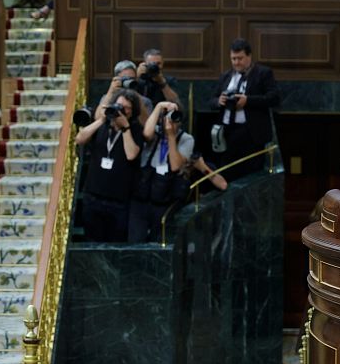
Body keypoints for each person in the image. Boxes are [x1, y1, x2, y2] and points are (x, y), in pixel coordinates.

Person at [75, 88, 144, 242]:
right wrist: (102, 119)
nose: (121, 110)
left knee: (114, 244)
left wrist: (125, 128)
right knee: (92, 242)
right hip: (93, 197)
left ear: (132, 112)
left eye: (126, 108)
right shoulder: (102, 126)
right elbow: (80, 139)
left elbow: (131, 154)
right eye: (118, 106)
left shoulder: (135, 130)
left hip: (118, 202)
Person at [208, 38, 280, 182]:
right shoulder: (226, 76)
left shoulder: (263, 73)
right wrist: (219, 101)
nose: (236, 62)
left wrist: (248, 100)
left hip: (251, 133)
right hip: (227, 132)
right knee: (226, 173)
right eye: (233, 59)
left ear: (249, 56)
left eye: (240, 58)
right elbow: (211, 100)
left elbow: (274, 98)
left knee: (251, 177)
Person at [128, 101, 194, 242]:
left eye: (175, 117)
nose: (171, 120)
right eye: (168, 116)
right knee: (135, 239)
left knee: (157, 241)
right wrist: (159, 107)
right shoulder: (155, 132)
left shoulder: (186, 139)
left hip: (164, 200)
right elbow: (146, 134)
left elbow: (176, 166)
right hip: (142, 196)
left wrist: (171, 136)